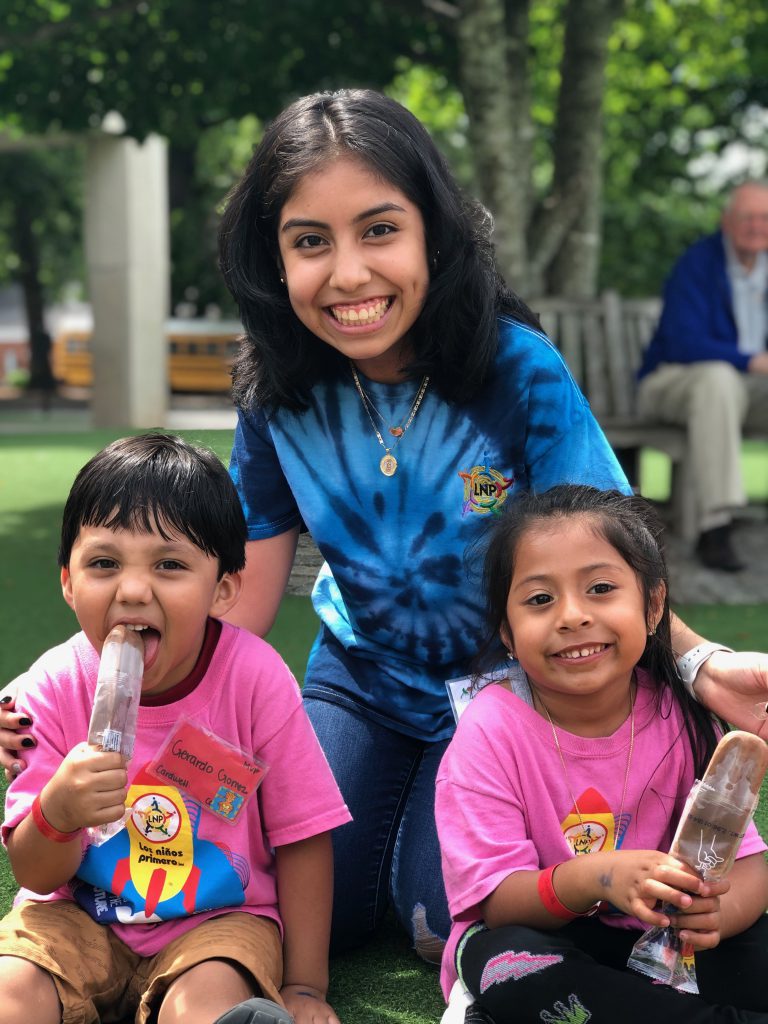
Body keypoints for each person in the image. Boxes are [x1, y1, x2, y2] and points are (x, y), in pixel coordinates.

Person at [2, 91, 768, 967]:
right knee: (292, 894)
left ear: (432, 237)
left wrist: (700, 663)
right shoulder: (276, 393)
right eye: (310, 242)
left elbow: (611, 557)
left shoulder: (515, 368)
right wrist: (78, 694)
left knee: (447, 918)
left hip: (513, 698)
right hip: (356, 685)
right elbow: (237, 602)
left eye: (379, 230)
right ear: (273, 257)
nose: (349, 274)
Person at [0, 433, 350, 1024]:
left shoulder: (255, 679)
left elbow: (304, 835)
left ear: (223, 589)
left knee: (208, 1000)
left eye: (170, 565)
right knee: (13, 989)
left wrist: (307, 986)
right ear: (67, 581)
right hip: (72, 914)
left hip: (217, 921)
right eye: (104, 563)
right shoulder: (52, 687)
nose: (134, 589)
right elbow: (33, 873)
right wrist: (57, 814)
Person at [436, 484, 768, 1024]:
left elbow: (747, 862)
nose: (571, 616)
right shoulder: (490, 729)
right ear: (509, 633)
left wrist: (716, 915)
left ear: (653, 603)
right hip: (545, 938)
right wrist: (597, 877)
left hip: (662, 942)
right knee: (511, 966)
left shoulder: (683, 715)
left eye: (600, 588)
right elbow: (497, 902)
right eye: (540, 599)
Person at [637, 180, 768, 572]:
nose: (756, 226)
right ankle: (716, 527)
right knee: (718, 378)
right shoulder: (698, 263)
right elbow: (682, 343)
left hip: (743, 393)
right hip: (672, 382)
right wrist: (750, 360)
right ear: (726, 221)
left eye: (764, 218)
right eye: (747, 217)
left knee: (724, 383)